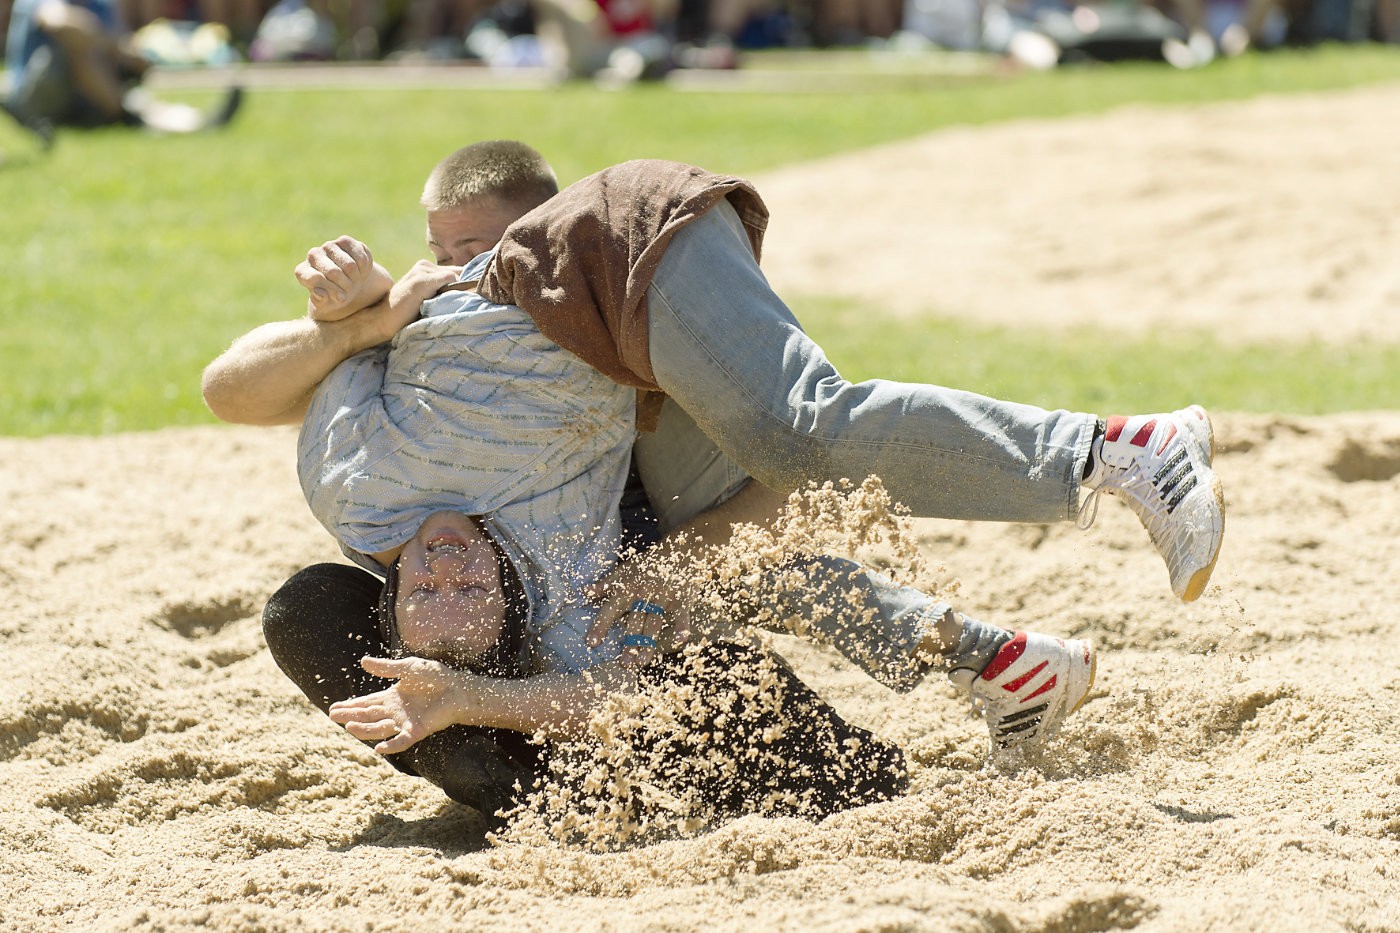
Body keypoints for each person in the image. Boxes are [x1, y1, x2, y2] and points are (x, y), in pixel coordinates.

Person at [2, 0, 242, 140]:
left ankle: (199, 122)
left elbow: (123, 40)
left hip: (89, 94)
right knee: (77, 49)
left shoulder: (100, 4)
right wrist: (113, 47)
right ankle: (126, 113)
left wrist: (132, 57)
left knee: (141, 102)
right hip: (35, 99)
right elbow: (59, 22)